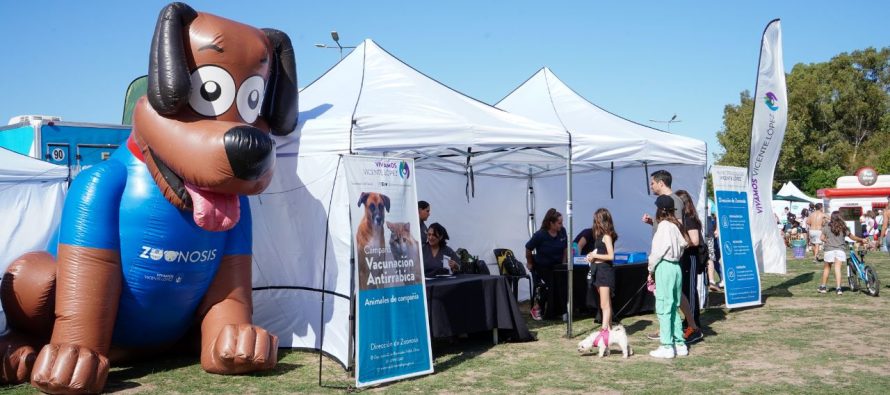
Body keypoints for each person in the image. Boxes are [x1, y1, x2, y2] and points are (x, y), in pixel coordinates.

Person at [647, 195, 690, 359]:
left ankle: (666, 346)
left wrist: (650, 269)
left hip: (664, 266)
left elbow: (657, 251)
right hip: (676, 267)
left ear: (660, 210)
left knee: (664, 307)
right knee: (674, 306)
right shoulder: (674, 226)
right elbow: (683, 244)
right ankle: (680, 344)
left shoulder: (663, 226)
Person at [525, 208, 567, 321]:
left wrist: (564, 263)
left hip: (557, 266)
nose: (561, 225)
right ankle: (536, 308)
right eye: (559, 223)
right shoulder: (540, 235)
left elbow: (565, 249)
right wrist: (529, 262)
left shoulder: (562, 232)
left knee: (563, 282)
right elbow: (528, 248)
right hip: (542, 267)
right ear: (551, 223)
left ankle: (562, 310)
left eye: (562, 222)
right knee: (550, 285)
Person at [676, 190, 704, 344]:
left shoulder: (690, 219)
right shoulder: (682, 219)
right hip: (683, 258)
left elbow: (695, 240)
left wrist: (680, 241)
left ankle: (694, 326)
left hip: (691, 258)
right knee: (684, 291)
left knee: (690, 291)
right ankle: (688, 322)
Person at [584, 208, 617, 335]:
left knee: (604, 304)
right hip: (599, 270)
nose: (594, 223)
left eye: (596, 220)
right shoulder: (600, 237)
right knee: (605, 302)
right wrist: (591, 255)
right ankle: (609, 329)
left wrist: (595, 257)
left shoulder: (607, 236)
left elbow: (611, 256)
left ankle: (604, 331)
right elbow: (600, 253)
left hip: (605, 272)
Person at [819, 211, 867, 295]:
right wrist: (861, 239)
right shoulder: (843, 227)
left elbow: (821, 238)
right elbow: (852, 237)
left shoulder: (827, 226)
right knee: (838, 269)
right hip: (840, 250)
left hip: (829, 249)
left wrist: (827, 240)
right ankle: (838, 289)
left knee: (827, 268)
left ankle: (823, 287)